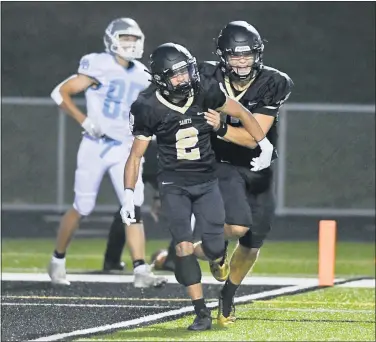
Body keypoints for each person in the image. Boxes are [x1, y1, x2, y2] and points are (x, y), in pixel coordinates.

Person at [120, 42, 274, 331]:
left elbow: (240, 111)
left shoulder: (204, 90)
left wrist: (263, 144)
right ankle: (200, 311)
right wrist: (128, 195)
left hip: (206, 180)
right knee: (183, 246)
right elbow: (135, 155)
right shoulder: (146, 106)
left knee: (215, 247)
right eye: (175, 75)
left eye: (186, 71)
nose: (184, 79)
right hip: (173, 183)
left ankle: (212, 259)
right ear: (160, 79)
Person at [149, 20, 294, 327]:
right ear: (222, 56)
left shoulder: (274, 82)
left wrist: (222, 126)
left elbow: (256, 135)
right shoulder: (205, 73)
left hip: (258, 167)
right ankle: (206, 251)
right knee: (239, 226)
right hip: (219, 164)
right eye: (235, 55)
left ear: (258, 54)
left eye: (247, 54)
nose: (242, 61)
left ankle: (227, 294)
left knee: (253, 242)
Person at [48, 17, 167, 289]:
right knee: (82, 207)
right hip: (95, 145)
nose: (130, 44)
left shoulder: (142, 74)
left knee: (132, 207)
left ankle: (140, 271)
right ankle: (57, 259)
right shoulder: (97, 63)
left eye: (134, 39)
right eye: (125, 38)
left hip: (125, 148)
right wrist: (85, 121)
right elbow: (60, 93)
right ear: (112, 40)